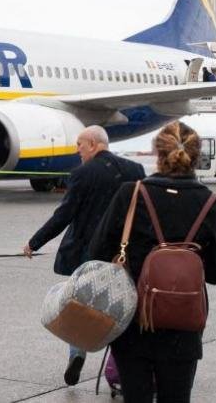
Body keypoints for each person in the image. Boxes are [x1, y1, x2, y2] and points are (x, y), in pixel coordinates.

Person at [87, 121, 216, 403]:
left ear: (157, 153)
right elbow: (215, 272)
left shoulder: (131, 193)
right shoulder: (212, 202)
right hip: (183, 327)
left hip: (134, 324)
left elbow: (97, 252)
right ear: (196, 155)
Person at [23, 125, 145, 385]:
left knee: (80, 305)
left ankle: (77, 353)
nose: (77, 150)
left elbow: (64, 214)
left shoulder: (82, 173)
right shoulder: (135, 170)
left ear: (92, 144)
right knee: (120, 305)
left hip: (88, 252)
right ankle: (118, 365)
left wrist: (35, 242)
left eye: (79, 144)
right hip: (123, 253)